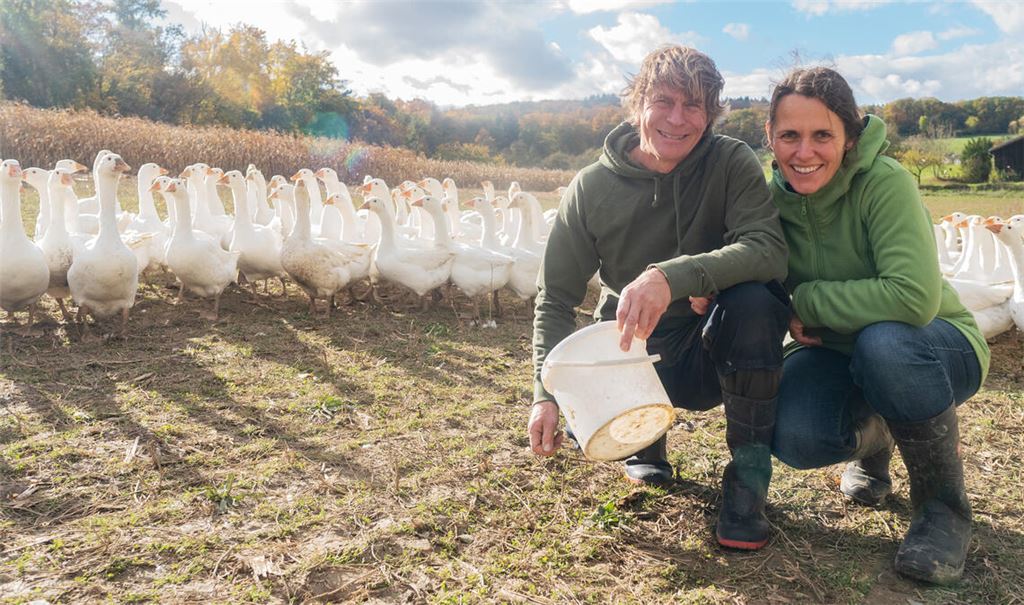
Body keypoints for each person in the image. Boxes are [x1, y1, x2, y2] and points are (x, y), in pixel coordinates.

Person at [526, 45, 791, 551]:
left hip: (708, 345)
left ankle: (748, 478)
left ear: (712, 113)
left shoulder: (731, 162)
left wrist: (671, 277)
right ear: (636, 103)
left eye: (694, 106)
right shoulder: (591, 187)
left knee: (757, 300)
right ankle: (646, 442)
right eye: (663, 101)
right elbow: (555, 297)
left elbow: (768, 249)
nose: (676, 118)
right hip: (628, 350)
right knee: (595, 429)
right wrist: (544, 394)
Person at [760, 66, 989, 585]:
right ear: (770, 138)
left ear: (850, 137)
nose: (804, 152)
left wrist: (808, 300)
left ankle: (943, 513)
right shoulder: (768, 201)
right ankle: (881, 437)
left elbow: (912, 297)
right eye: (789, 135)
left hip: (933, 344)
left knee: (885, 345)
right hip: (835, 351)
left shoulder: (885, 183)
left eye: (823, 135)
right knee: (796, 436)